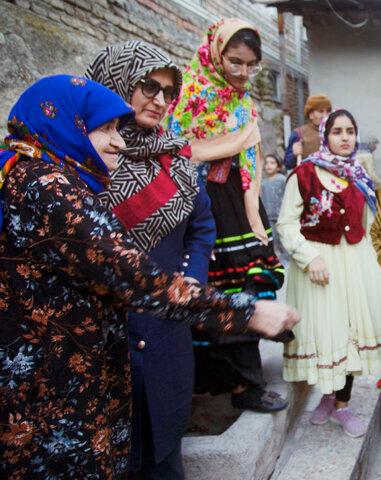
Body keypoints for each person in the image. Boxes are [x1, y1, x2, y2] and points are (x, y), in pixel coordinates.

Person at [0, 75, 299, 479]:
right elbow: (129, 274)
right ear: (67, 124)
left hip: (75, 371)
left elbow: (197, 227)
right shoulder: (46, 187)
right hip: (51, 392)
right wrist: (244, 313)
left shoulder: (38, 174)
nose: (119, 143)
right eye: (104, 129)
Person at [86, 40, 216, 478]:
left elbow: (202, 229)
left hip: (165, 327)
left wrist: (193, 278)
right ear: (116, 83)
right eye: (148, 86)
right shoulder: (86, 160)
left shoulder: (177, 159)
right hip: (105, 330)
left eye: (168, 91)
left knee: (164, 455)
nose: (160, 101)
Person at [167, 18, 288, 413]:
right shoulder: (188, 92)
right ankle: (213, 382)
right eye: (235, 62)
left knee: (246, 287)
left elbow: (245, 154)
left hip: (240, 204)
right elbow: (178, 153)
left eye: (251, 65)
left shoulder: (241, 100)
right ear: (216, 54)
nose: (243, 72)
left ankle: (245, 386)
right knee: (206, 289)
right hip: (200, 205)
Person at [276, 109, 381, 437]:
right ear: (325, 136)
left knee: (352, 332)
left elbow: (366, 228)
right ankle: (328, 396)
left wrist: (372, 269)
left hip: (355, 263)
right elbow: (285, 223)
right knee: (329, 332)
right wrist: (308, 258)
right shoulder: (305, 173)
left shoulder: (360, 176)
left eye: (350, 131)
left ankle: (341, 405)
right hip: (319, 264)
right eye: (338, 131)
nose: (345, 137)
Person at [283, 94, 332, 170]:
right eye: (321, 111)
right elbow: (287, 164)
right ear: (311, 114)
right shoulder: (298, 133)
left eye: (328, 111)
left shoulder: (333, 132)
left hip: (331, 179)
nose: (325, 115)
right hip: (308, 178)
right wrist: (294, 154)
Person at [261, 153, 288, 265]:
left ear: (279, 166)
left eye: (272, 163)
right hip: (269, 217)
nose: (268, 165)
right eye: (267, 163)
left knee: (285, 239)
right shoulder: (263, 183)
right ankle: (278, 262)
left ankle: (288, 262)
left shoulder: (283, 179)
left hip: (282, 216)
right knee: (274, 240)